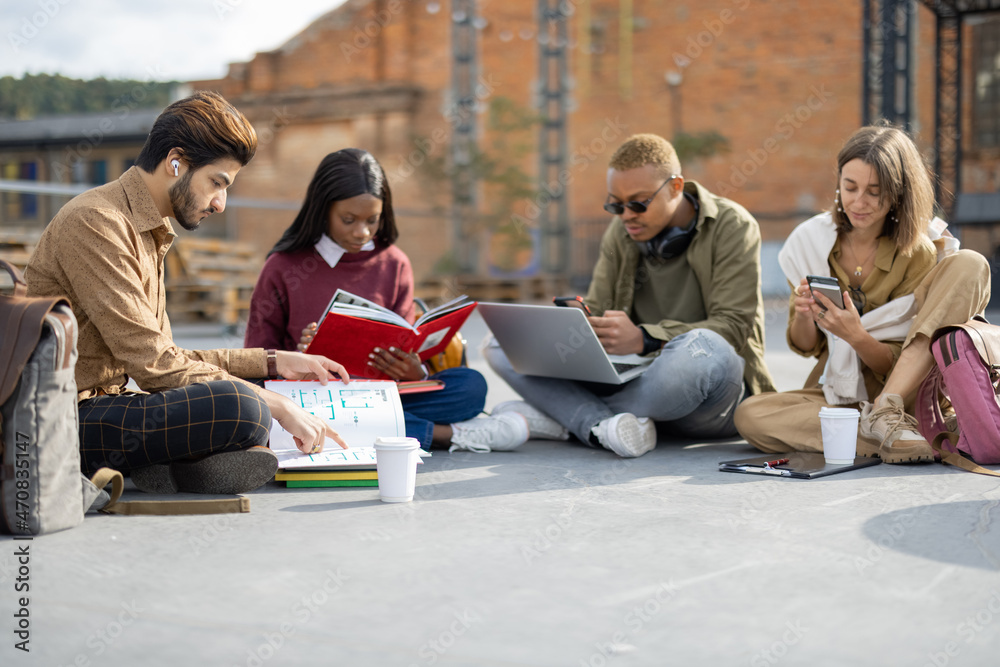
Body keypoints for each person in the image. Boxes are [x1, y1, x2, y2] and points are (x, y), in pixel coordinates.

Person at [26, 91, 352, 495]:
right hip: (58, 419)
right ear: (175, 161)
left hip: (108, 407)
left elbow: (168, 357)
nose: (221, 203)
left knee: (248, 400)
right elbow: (156, 366)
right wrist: (277, 405)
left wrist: (273, 362)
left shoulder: (149, 230)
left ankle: (179, 466)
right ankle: (179, 461)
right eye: (217, 182)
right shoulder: (97, 221)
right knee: (244, 407)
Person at [483, 133, 776, 458]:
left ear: (676, 186)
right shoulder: (622, 231)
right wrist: (576, 324)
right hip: (634, 379)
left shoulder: (733, 225)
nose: (626, 215)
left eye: (638, 203)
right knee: (500, 344)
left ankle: (570, 416)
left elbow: (734, 328)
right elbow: (601, 310)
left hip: (703, 399)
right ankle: (602, 425)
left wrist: (645, 339)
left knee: (705, 348)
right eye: (615, 204)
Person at [734, 123, 991, 462]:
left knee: (971, 263)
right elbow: (808, 347)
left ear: (898, 194)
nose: (858, 202)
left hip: (905, 395)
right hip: (840, 394)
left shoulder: (918, 253)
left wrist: (856, 337)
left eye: (874, 191)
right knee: (751, 415)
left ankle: (888, 422)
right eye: (850, 187)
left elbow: (909, 357)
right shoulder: (810, 242)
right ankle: (897, 440)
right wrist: (806, 314)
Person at [243, 148, 528, 453]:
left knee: (470, 387)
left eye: (372, 220)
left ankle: (354, 432)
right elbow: (253, 361)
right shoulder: (283, 266)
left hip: (384, 394)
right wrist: (297, 357)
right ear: (322, 209)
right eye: (348, 219)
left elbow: (406, 341)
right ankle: (450, 435)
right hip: (312, 397)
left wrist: (414, 371)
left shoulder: (394, 263)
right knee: (253, 410)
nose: (361, 232)